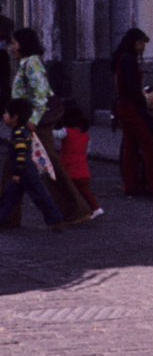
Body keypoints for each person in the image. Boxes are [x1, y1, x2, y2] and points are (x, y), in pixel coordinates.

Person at [8, 27, 89, 224]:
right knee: (13, 168)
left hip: (34, 125)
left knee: (48, 167)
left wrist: (32, 121)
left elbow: (41, 96)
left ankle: (76, 210)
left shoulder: (32, 64)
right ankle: (7, 216)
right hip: (23, 123)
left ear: (24, 44)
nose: (11, 47)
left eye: (14, 43)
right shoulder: (25, 63)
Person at [112, 28, 153, 196]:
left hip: (124, 105)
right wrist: (143, 102)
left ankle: (131, 186)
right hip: (130, 106)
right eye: (141, 43)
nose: (143, 47)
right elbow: (132, 87)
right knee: (148, 145)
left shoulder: (123, 58)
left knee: (130, 146)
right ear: (135, 43)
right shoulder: (128, 60)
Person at [0, 98, 65, 232]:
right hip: (25, 171)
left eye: (6, 113)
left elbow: (21, 155)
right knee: (11, 196)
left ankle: (56, 219)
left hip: (24, 172)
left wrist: (17, 173)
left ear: (15, 117)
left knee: (36, 195)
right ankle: (55, 219)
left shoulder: (18, 133)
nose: (3, 115)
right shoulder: (21, 131)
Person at [57, 103, 101, 220]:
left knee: (67, 193)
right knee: (85, 191)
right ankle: (95, 208)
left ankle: (71, 212)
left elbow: (54, 135)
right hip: (83, 170)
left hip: (69, 169)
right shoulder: (85, 135)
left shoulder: (65, 132)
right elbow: (87, 151)